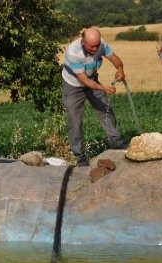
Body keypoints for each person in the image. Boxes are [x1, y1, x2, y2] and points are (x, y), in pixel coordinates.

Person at [61, 27, 127, 167]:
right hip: (73, 86)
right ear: (83, 42)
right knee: (75, 121)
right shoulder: (74, 52)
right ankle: (81, 158)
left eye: (97, 45)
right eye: (92, 46)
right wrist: (104, 88)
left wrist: (120, 69)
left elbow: (114, 58)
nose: (95, 49)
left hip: (92, 79)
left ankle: (117, 142)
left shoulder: (100, 44)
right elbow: (84, 81)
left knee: (105, 108)